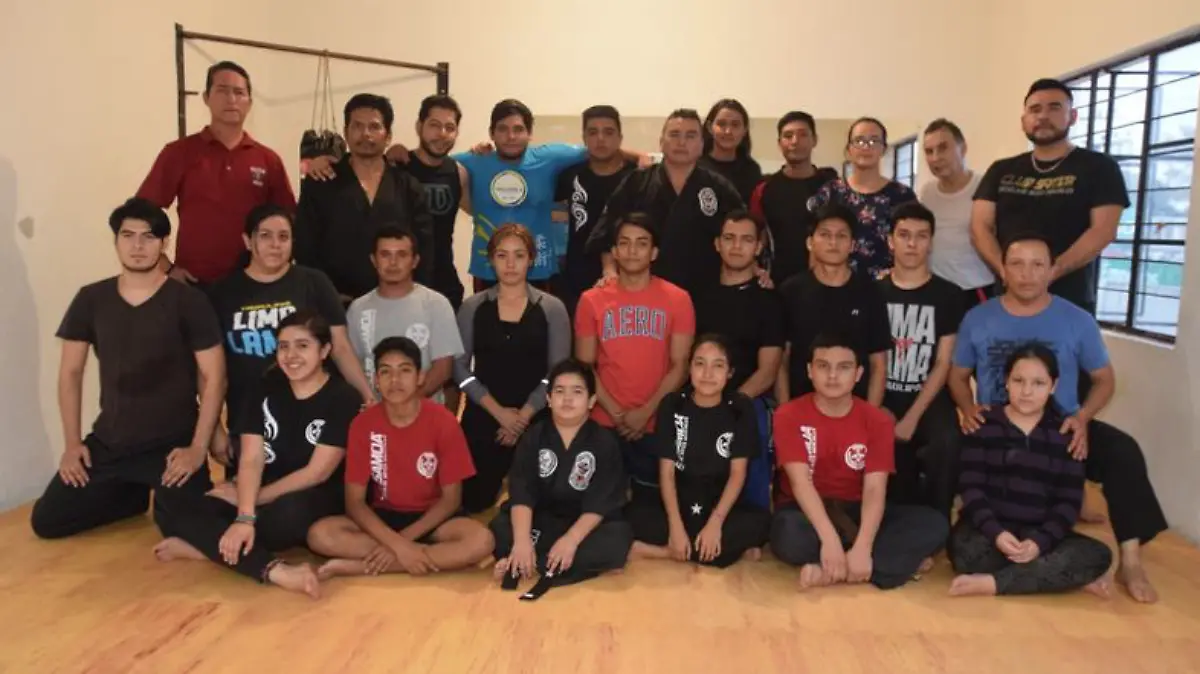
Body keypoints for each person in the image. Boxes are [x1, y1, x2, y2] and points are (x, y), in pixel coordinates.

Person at [947, 233, 1167, 603]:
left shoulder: (1076, 320)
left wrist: (1082, 418)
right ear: (1002, 270)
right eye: (1017, 264)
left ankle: (1130, 560)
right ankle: (1048, 570)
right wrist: (968, 409)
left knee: (1123, 452)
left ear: (1052, 271)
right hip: (996, 433)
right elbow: (957, 376)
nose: (1027, 273)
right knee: (947, 451)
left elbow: (1104, 380)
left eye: (1038, 265)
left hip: (1062, 432)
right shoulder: (978, 318)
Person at [31, 198, 224, 539]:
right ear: (116, 241)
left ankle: (156, 493)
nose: (137, 246)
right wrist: (73, 445)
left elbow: (214, 377)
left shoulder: (189, 301)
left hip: (171, 446)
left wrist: (197, 448)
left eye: (148, 237)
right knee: (47, 521)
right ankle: (131, 495)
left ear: (163, 243)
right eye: (128, 235)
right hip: (111, 443)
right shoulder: (91, 299)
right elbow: (70, 374)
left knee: (184, 528)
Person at [152, 311, 361, 598]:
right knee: (170, 500)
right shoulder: (263, 388)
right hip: (262, 486)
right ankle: (269, 567)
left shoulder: (343, 397)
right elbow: (251, 458)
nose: (291, 355)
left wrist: (248, 506)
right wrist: (246, 513)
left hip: (314, 493)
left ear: (324, 351)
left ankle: (211, 547)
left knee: (289, 513)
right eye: (283, 346)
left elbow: (317, 472)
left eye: (302, 346)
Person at [769, 332, 948, 591]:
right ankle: (884, 564)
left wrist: (863, 545)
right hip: (806, 510)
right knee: (787, 534)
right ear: (809, 371)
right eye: (823, 366)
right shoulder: (788, 414)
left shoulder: (877, 420)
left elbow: (875, 489)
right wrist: (829, 540)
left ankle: (834, 571)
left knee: (934, 523)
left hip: (856, 509)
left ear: (858, 374)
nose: (832, 376)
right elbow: (800, 483)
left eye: (844, 367)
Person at [307, 337, 495, 578]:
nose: (394, 380)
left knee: (481, 541)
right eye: (385, 372)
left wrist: (402, 542)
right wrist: (396, 544)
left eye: (404, 371)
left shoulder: (444, 421)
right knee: (320, 534)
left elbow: (451, 500)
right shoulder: (362, 424)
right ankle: (421, 557)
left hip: (433, 519)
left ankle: (363, 566)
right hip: (384, 517)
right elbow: (354, 503)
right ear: (376, 380)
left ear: (420, 377)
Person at [208, 204, 374, 468]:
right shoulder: (222, 293)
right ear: (247, 241)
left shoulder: (314, 282)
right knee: (248, 487)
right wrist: (214, 428)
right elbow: (212, 369)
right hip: (250, 420)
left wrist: (367, 397)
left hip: (313, 416)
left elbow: (340, 346)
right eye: (265, 236)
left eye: (283, 237)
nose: (275, 245)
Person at [949, 343, 1114, 598]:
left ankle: (993, 584)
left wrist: (1040, 543)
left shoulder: (1067, 434)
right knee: (965, 551)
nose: (1027, 391)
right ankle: (1052, 576)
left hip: (1040, 534)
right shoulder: (983, 424)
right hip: (989, 533)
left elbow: (1068, 502)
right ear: (1006, 381)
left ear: (1053, 386)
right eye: (1018, 381)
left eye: (1038, 383)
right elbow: (971, 489)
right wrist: (997, 533)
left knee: (1098, 555)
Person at [971, 78, 1128, 315]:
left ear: (1072, 116)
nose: (1043, 116)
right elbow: (979, 227)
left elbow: (1103, 231)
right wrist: (1005, 271)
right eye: (1035, 109)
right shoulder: (1001, 170)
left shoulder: (1099, 167)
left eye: (1054, 107)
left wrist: (1052, 271)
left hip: (1070, 303)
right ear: (1023, 121)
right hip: (1007, 301)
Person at [138, 62, 296, 287]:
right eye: (222, 90)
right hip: (194, 283)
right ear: (206, 97)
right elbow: (140, 214)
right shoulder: (178, 153)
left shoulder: (268, 160)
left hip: (254, 285)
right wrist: (165, 266)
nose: (231, 99)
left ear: (249, 103)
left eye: (239, 92)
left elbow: (289, 220)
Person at [489, 359, 633, 599]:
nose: (567, 399)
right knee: (501, 529)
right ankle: (538, 559)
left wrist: (571, 540)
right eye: (559, 391)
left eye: (577, 392)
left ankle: (528, 562)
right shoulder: (534, 436)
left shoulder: (604, 441)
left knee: (616, 539)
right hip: (541, 521)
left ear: (591, 401)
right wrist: (522, 541)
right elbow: (522, 492)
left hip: (584, 525)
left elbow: (601, 502)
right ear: (548, 399)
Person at [454, 224, 572, 513]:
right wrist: (498, 413)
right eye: (502, 255)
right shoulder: (472, 307)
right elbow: (459, 369)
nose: (510, 264)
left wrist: (522, 417)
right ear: (490, 260)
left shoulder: (552, 308)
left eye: (518, 255)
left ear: (531, 259)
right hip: (484, 415)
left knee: (543, 507)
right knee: (472, 503)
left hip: (537, 417)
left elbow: (558, 372)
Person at [575, 213, 694, 497]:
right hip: (604, 422)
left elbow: (680, 366)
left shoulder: (678, 299)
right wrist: (618, 415)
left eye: (641, 243)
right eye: (624, 243)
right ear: (614, 251)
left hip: (657, 422)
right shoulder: (591, 300)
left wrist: (645, 412)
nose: (632, 251)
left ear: (654, 252)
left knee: (652, 508)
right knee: (600, 506)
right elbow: (584, 365)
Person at [627, 336, 771, 567]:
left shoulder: (740, 407)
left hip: (719, 505)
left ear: (730, 372)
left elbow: (738, 474)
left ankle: (665, 551)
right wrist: (675, 526)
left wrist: (715, 523)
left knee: (763, 524)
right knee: (631, 517)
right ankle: (718, 553)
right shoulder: (673, 404)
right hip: (680, 501)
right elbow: (667, 472)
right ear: (690, 368)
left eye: (718, 365)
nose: (707, 374)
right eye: (700, 363)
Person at [586, 109, 746, 298]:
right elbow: (606, 232)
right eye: (674, 134)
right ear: (661, 142)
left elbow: (744, 233)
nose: (681, 142)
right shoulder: (636, 182)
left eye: (690, 136)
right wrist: (610, 271)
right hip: (642, 290)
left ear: (702, 144)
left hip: (705, 292)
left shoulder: (719, 188)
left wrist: (753, 268)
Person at [294, 93, 436, 302]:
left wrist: (412, 294)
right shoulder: (321, 182)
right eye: (357, 126)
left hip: (397, 299)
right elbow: (305, 246)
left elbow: (424, 247)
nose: (366, 134)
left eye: (374, 127)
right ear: (346, 132)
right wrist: (325, 295)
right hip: (335, 301)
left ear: (388, 136)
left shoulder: (408, 186)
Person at [694, 210, 785, 509]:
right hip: (699, 395)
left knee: (753, 423)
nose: (736, 246)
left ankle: (754, 515)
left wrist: (730, 405)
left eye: (746, 240)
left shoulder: (769, 300)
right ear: (717, 243)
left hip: (749, 400)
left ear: (758, 247)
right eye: (729, 238)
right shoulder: (697, 295)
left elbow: (768, 370)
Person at [878, 202, 964, 518]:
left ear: (931, 242)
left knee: (947, 442)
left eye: (921, 236)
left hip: (929, 398)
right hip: (884, 395)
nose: (912, 244)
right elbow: (869, 360)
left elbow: (943, 363)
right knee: (894, 477)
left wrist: (913, 417)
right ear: (890, 240)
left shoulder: (950, 295)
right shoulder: (873, 293)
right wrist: (876, 408)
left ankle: (939, 522)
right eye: (904, 235)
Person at [777, 204, 891, 405]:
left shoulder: (870, 292)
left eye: (841, 236)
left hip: (855, 408)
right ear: (810, 242)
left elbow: (878, 364)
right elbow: (781, 361)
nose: (833, 242)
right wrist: (785, 413)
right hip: (801, 406)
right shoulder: (790, 291)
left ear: (853, 245)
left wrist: (870, 416)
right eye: (825, 235)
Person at [347, 226, 463, 405]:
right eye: (385, 255)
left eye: (401, 255)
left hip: (423, 412)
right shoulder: (358, 309)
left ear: (415, 261)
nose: (393, 263)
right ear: (373, 260)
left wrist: (406, 405)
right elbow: (352, 365)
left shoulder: (436, 304)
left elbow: (443, 369)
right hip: (373, 412)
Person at [808, 117, 917, 279]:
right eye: (859, 141)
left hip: (886, 284)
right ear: (849, 149)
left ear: (884, 149)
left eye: (874, 141)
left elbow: (913, 244)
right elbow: (815, 245)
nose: (866, 147)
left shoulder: (902, 195)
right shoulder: (831, 192)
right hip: (836, 283)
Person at [554, 105, 637, 316]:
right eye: (593, 132)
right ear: (584, 137)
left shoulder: (638, 178)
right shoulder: (568, 177)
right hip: (574, 281)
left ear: (620, 138)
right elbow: (555, 220)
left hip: (629, 278)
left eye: (608, 132)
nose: (600, 139)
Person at [749, 111, 840, 286]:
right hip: (778, 283)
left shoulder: (833, 187)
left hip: (828, 283)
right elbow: (755, 237)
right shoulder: (764, 189)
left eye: (803, 135)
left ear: (814, 140)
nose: (795, 141)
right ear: (779, 143)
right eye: (788, 136)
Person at [919, 119, 994, 310]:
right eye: (929, 151)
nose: (936, 157)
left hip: (976, 289)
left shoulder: (986, 187)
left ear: (963, 148)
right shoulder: (927, 193)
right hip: (936, 290)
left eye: (943, 148)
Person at [405, 95, 470, 312]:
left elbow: (480, 210)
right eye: (434, 125)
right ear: (419, 126)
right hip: (401, 284)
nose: (442, 134)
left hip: (445, 286)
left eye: (449, 128)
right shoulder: (397, 167)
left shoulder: (459, 173)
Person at [699, 99, 763, 204]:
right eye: (721, 124)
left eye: (735, 125)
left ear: (744, 130)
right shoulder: (695, 168)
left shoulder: (751, 170)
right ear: (710, 127)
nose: (728, 131)